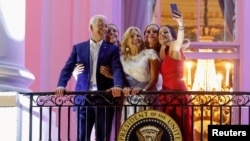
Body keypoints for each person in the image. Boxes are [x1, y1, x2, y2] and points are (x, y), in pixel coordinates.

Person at [55, 15, 124, 141]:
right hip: (83, 99)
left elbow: (117, 69)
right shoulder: (78, 48)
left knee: (103, 137)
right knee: (82, 136)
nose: (105, 28)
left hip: (104, 99)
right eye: (101, 25)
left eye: (106, 25)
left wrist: (117, 85)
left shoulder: (112, 49)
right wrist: (61, 85)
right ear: (91, 27)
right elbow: (67, 68)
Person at [158, 10, 192, 141]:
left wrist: (180, 23)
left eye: (165, 32)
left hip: (177, 95)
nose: (162, 34)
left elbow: (181, 41)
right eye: (160, 33)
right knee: (167, 132)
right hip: (166, 95)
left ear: (173, 35)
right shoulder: (165, 51)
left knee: (179, 129)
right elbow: (186, 42)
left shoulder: (173, 47)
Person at [119, 26, 160, 123]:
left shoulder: (149, 53)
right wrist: (125, 88)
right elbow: (122, 79)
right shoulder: (122, 59)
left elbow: (154, 78)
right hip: (129, 100)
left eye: (138, 36)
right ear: (126, 41)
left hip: (146, 98)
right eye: (132, 36)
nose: (136, 38)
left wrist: (143, 91)